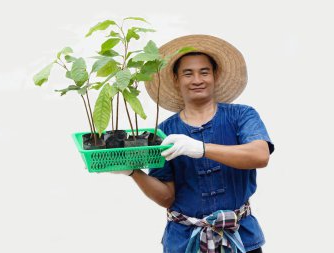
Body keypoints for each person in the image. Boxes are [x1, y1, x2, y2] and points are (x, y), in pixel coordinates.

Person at [115, 35, 274, 253]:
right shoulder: (165, 132)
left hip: (240, 238)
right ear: (176, 79)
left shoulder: (241, 115)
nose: (197, 79)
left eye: (204, 72)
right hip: (184, 242)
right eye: (188, 73)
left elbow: (260, 155)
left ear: (215, 76)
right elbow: (166, 197)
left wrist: (201, 149)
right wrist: (133, 172)